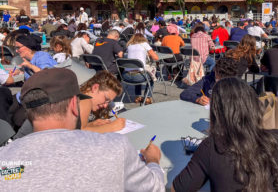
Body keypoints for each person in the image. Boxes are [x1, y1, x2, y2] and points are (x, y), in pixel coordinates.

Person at [0, 68, 164, 191]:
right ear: (74, 104)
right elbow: (153, 188)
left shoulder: (5, 163)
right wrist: (153, 162)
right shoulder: (115, 147)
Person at [174, 77, 278, 191]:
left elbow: (178, 189)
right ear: (254, 106)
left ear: (216, 112)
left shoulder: (211, 147)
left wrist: (154, 160)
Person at [124, 34, 159, 104]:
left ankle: (137, 96)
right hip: (138, 77)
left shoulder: (129, 45)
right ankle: (147, 97)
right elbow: (156, 58)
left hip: (125, 76)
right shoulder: (144, 44)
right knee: (152, 75)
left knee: (138, 70)